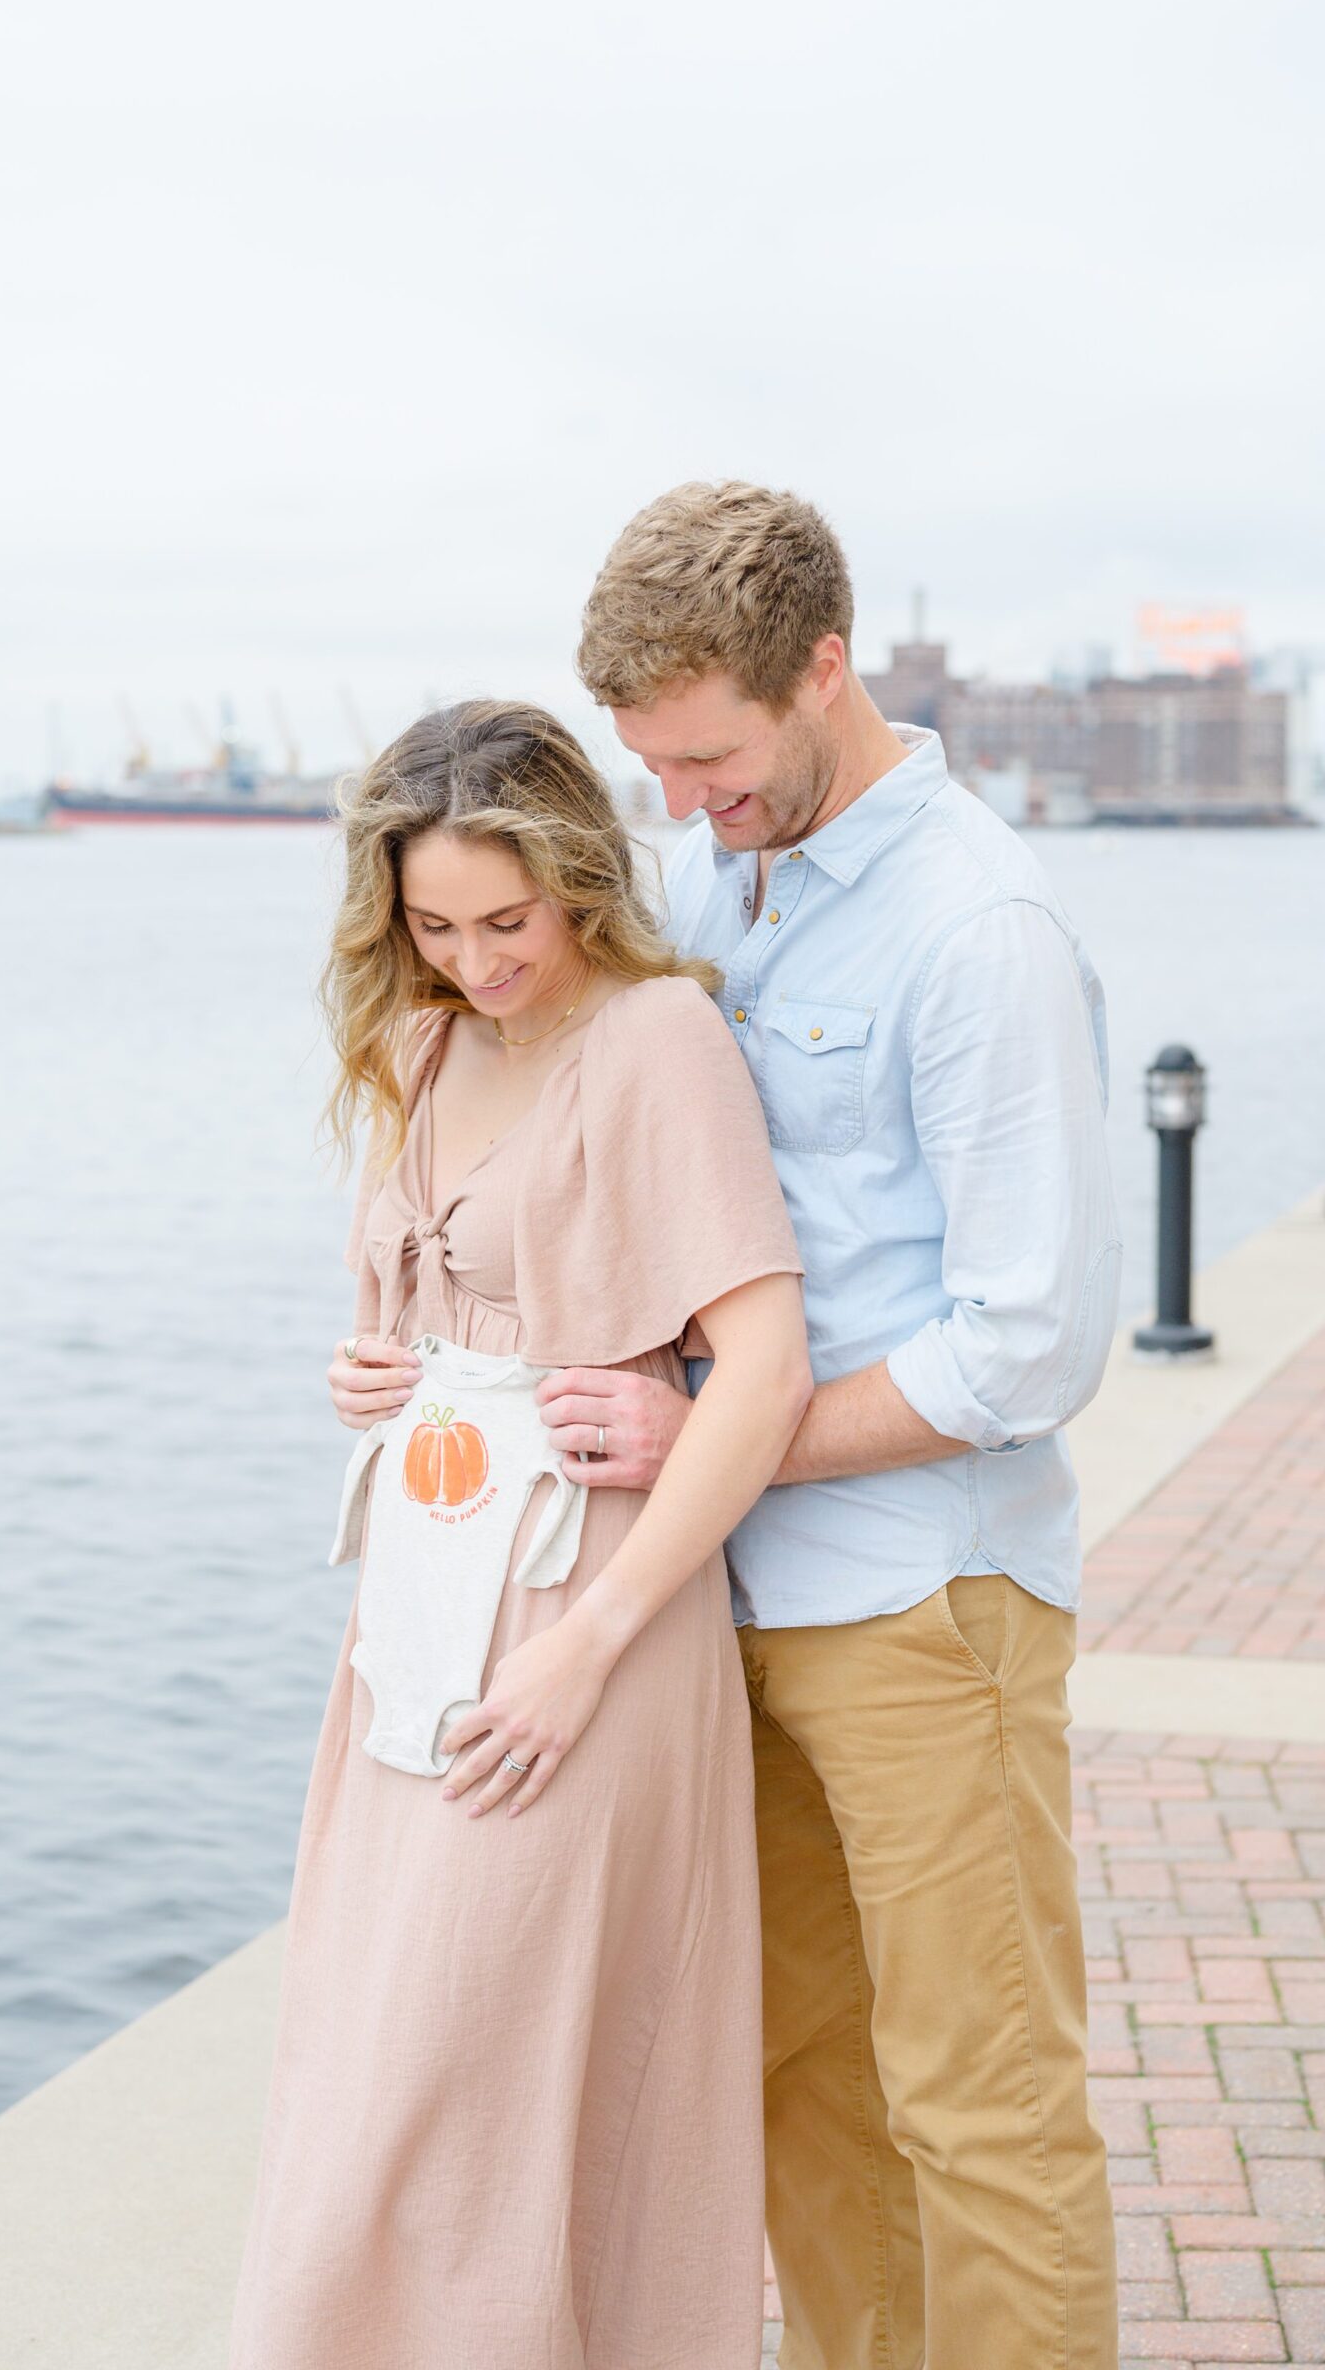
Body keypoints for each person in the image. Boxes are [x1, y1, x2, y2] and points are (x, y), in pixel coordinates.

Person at [546, 481, 1124, 2370]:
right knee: (798, 2079)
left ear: (824, 669)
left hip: (921, 1609)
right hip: (736, 1602)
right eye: (656, 768)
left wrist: (723, 1440)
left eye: (712, 758)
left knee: (983, 2108)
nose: (686, 806)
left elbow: (1029, 1348)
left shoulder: (981, 930)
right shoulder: (719, 873)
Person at [226, 699, 810, 2370]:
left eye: (510, 919)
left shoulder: (653, 1040)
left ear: (579, 879)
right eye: (432, 925)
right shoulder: (418, 1044)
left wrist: (588, 1644)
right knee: (366, 2064)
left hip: (586, 1621)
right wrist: (369, 1368)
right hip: (420, 1603)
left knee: (466, 2086)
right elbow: (423, 1299)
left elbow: (760, 1372)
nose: (479, 961)